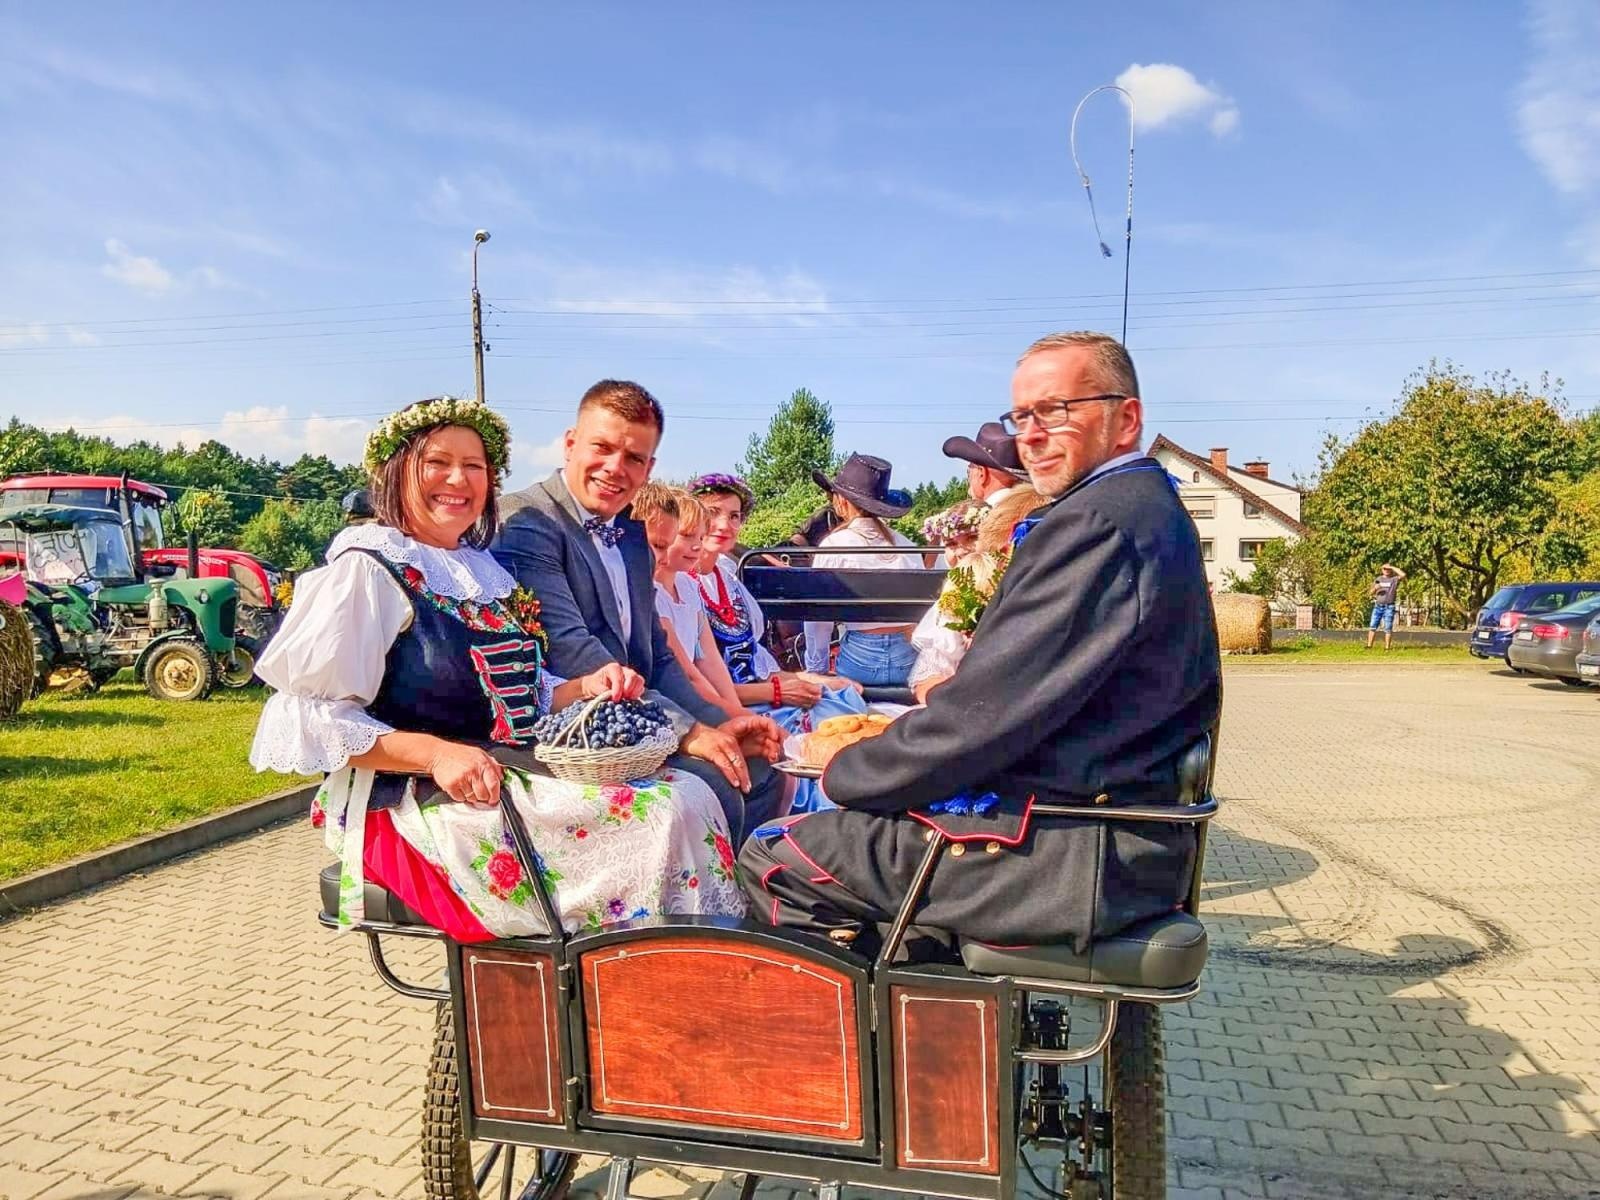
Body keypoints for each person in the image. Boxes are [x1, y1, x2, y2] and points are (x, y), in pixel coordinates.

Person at [739, 331, 1223, 955]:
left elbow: (983, 714)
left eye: (1056, 411)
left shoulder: (1096, 522)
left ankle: (880, 1018)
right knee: (872, 840)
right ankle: (927, 997)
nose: (1032, 435)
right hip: (1108, 833)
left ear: (1125, 419)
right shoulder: (1142, 507)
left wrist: (841, 772)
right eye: (1022, 416)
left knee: (775, 852)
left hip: (1070, 850)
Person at [250, 396, 745, 940]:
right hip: (415, 800)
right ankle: (635, 963)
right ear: (396, 469)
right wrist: (436, 754)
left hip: (500, 769)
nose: (458, 479)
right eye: (438, 462)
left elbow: (518, 694)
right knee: (662, 814)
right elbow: (311, 719)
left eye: (474, 466)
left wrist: (585, 686)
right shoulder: (365, 571)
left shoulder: (480, 570)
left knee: (685, 793)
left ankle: (667, 963)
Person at [494, 381, 783, 844]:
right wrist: (689, 732)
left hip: (639, 719)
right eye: (602, 448)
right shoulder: (529, 521)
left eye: (633, 458)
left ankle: (740, 887)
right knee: (717, 785)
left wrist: (719, 723)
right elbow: (572, 650)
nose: (615, 468)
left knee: (764, 772)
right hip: (571, 729)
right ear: (570, 443)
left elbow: (658, 654)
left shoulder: (631, 531)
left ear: (649, 467)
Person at [687, 472, 871, 813]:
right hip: (725, 707)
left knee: (843, 702)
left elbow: (756, 662)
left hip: (758, 693)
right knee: (820, 738)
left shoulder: (727, 579)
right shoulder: (682, 588)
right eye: (713, 512)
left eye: (734, 516)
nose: (724, 524)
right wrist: (776, 692)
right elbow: (699, 686)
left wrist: (810, 678)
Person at [799, 454, 923, 687]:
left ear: (842, 501)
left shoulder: (834, 545)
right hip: (908, 661)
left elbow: (818, 619)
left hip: (859, 662)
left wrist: (817, 669)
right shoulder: (908, 546)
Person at [942, 420, 1032, 508]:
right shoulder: (1035, 513)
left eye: (969, 472)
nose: (968, 485)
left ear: (982, 473)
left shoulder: (974, 516)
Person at [1365, 564, 1407, 650]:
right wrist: (1375, 588)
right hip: (1378, 606)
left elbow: (1403, 575)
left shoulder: (1394, 579)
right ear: (1382, 570)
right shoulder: (1378, 579)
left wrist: (1392, 567)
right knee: (1372, 626)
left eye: (1388, 569)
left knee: (1388, 627)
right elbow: (1370, 593)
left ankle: (1387, 648)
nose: (1386, 570)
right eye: (1385, 569)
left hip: (1389, 607)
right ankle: (1369, 646)